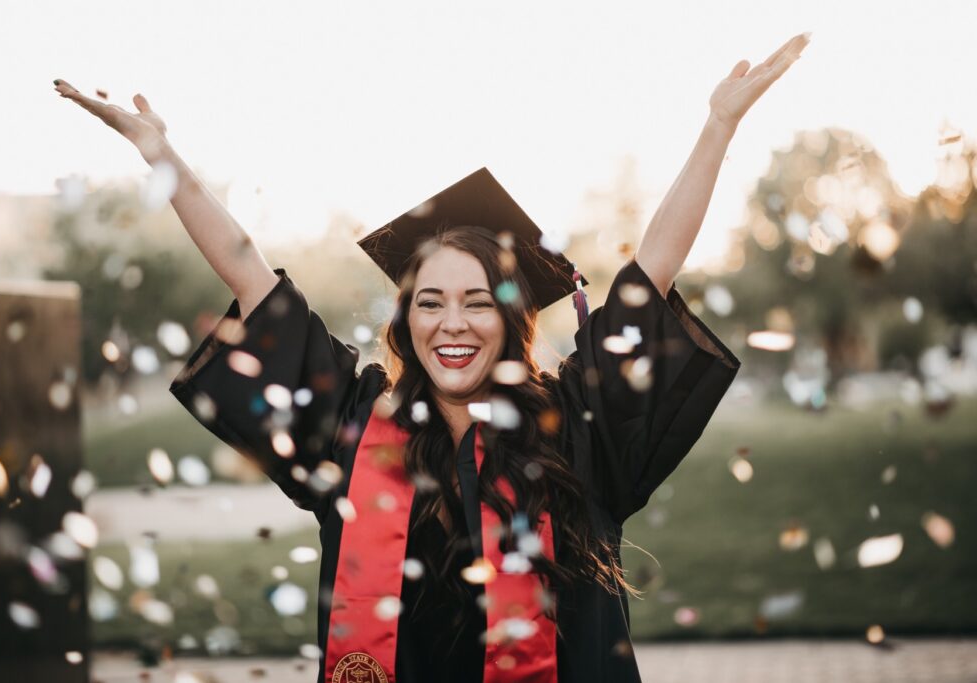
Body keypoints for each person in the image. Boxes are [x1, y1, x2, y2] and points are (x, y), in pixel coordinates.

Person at [53, 31, 807, 683]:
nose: (454, 323)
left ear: (510, 318)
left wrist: (717, 126)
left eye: (478, 301)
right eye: (431, 300)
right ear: (404, 316)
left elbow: (650, 276)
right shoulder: (352, 426)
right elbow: (250, 273)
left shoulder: (576, 428)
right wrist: (162, 158)